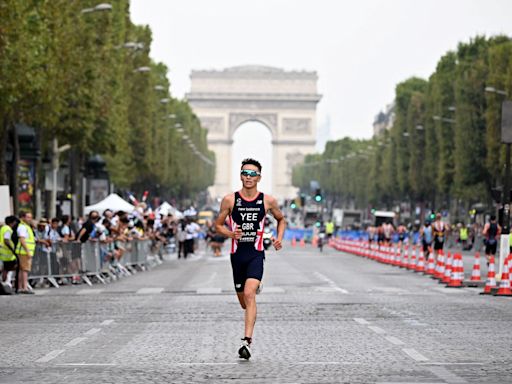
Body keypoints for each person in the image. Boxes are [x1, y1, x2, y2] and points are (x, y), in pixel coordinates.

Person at [215, 158, 286, 360]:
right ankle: (252, 293)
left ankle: (246, 341)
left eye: (253, 174)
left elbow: (281, 219)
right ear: (240, 175)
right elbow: (218, 225)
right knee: (244, 302)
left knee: (249, 294)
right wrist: (230, 234)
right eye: (245, 173)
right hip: (237, 256)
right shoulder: (229, 200)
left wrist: (279, 239)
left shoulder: (268, 200)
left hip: (255, 254)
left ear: (259, 177)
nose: (249, 177)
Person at [15, 211, 36, 294]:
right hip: (24, 252)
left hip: (24, 251)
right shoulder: (23, 227)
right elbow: (22, 239)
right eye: (28, 217)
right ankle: (24, 287)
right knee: (25, 270)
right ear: (23, 218)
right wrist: (28, 251)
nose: (30, 219)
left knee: (22, 270)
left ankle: (21, 287)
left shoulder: (26, 227)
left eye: (30, 217)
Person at [0, 216, 19, 289]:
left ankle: (4, 282)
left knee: (5, 268)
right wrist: (12, 249)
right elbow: (6, 240)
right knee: (12, 267)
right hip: (7, 253)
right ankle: (7, 282)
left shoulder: (3, 228)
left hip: (2, 251)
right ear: (12, 222)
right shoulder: (8, 229)